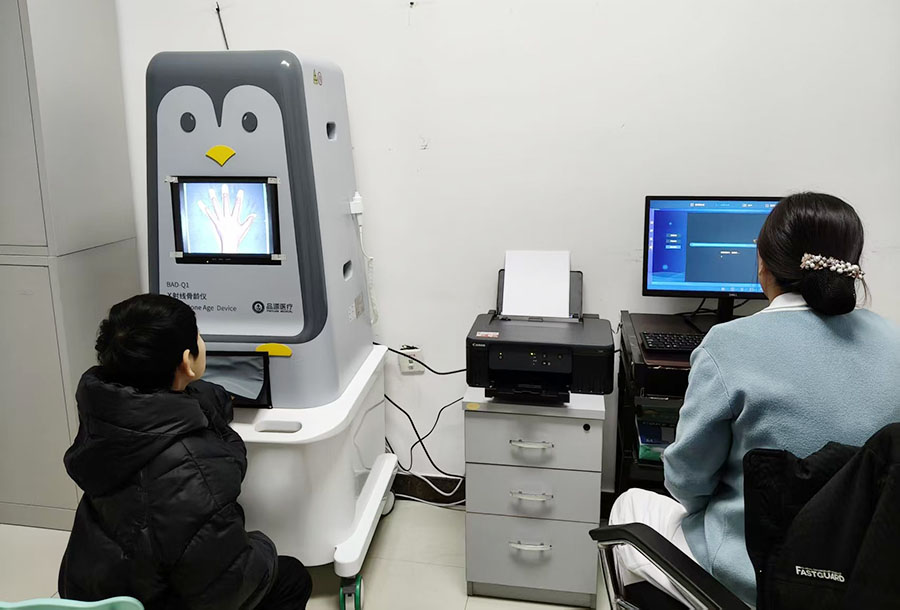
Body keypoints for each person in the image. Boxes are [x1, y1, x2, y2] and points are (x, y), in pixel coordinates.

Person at [609, 192, 900, 607]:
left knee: (629, 505)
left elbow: (687, 483)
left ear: (762, 262)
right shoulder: (894, 341)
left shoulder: (728, 344)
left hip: (753, 581)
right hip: (863, 577)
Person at [58, 294, 312, 609]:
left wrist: (213, 401)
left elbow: (192, 399)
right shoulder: (194, 470)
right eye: (198, 336)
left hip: (95, 588)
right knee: (291, 577)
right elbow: (232, 587)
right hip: (155, 599)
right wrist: (262, 545)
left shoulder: (105, 417)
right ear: (186, 362)